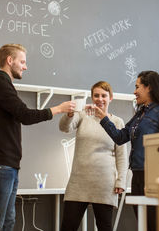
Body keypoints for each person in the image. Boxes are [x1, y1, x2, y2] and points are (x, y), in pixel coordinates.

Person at [0, 43, 75, 231]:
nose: (25, 66)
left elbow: (21, 114)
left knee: (7, 223)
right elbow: (25, 115)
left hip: (8, 165)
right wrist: (58, 109)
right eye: (22, 61)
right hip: (1, 165)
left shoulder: (4, 85)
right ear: (10, 60)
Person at [91, 71, 159, 231]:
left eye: (137, 87)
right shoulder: (140, 114)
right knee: (143, 223)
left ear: (149, 87)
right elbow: (120, 137)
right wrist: (104, 118)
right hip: (137, 176)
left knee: (154, 224)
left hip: (154, 177)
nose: (134, 91)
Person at [59, 81, 128, 231]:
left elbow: (122, 156)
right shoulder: (82, 115)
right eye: (96, 95)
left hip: (105, 184)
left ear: (111, 98)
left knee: (104, 227)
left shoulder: (117, 122)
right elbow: (64, 128)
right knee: (68, 226)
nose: (100, 99)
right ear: (92, 97)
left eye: (104, 95)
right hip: (78, 182)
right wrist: (71, 113)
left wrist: (121, 181)